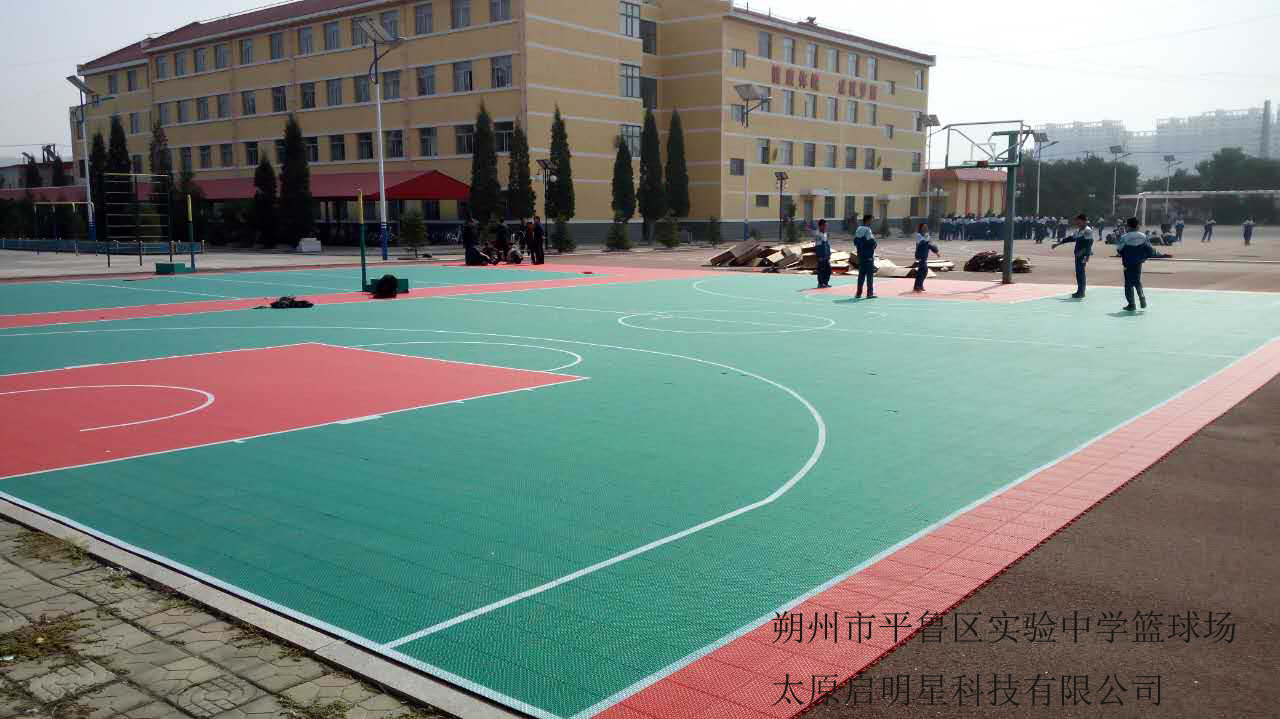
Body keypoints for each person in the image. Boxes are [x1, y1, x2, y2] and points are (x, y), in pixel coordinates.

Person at [1052, 213, 1095, 299]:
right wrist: (1058, 243)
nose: (1077, 223)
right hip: (1078, 254)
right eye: (1076, 221)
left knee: (1081, 272)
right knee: (1078, 273)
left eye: (1078, 221)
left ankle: (1081, 292)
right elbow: (1071, 238)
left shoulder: (1087, 230)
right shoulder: (1078, 231)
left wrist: (1085, 255)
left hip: (1082, 255)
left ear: (1084, 221)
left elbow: (1089, 244)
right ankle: (1080, 291)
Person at [1118, 217, 1153, 312]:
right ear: (1137, 226)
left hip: (1128, 262)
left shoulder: (1124, 237)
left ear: (1128, 226)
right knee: (1137, 280)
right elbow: (1149, 248)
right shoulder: (1143, 236)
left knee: (1128, 283)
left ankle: (1131, 304)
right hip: (1138, 262)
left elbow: (1119, 249)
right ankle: (1141, 295)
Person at [853, 213, 877, 298]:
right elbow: (871, 241)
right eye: (871, 220)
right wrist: (874, 243)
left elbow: (855, 241)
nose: (872, 222)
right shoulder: (867, 229)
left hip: (861, 256)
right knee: (869, 276)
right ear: (868, 220)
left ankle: (858, 293)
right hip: (868, 256)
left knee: (861, 275)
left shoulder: (859, 228)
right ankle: (869, 293)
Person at [912, 223, 940, 292]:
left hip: (924, 256)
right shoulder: (918, 235)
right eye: (924, 226)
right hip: (920, 255)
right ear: (921, 228)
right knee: (923, 271)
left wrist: (936, 252)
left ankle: (918, 286)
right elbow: (921, 243)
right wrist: (927, 241)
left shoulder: (927, 235)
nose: (925, 228)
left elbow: (931, 245)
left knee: (922, 271)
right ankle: (918, 286)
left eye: (926, 226)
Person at [813, 219, 833, 289]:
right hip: (821, 256)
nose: (826, 227)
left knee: (828, 270)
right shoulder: (818, 234)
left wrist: (829, 253)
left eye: (826, 226)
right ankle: (820, 283)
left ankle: (825, 283)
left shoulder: (825, 234)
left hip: (826, 255)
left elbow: (827, 245)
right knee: (821, 270)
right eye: (824, 226)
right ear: (820, 226)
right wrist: (819, 256)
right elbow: (818, 246)